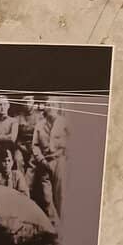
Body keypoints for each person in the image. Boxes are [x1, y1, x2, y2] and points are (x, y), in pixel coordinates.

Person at [32, 96, 69, 224]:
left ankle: (63, 222)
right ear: (45, 108)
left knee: (60, 195)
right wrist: (41, 160)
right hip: (44, 162)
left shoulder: (64, 122)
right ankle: (53, 223)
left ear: (58, 107)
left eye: (54, 105)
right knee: (47, 196)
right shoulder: (39, 125)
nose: (51, 107)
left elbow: (74, 141)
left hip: (60, 161)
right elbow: (35, 145)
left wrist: (66, 155)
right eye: (49, 105)